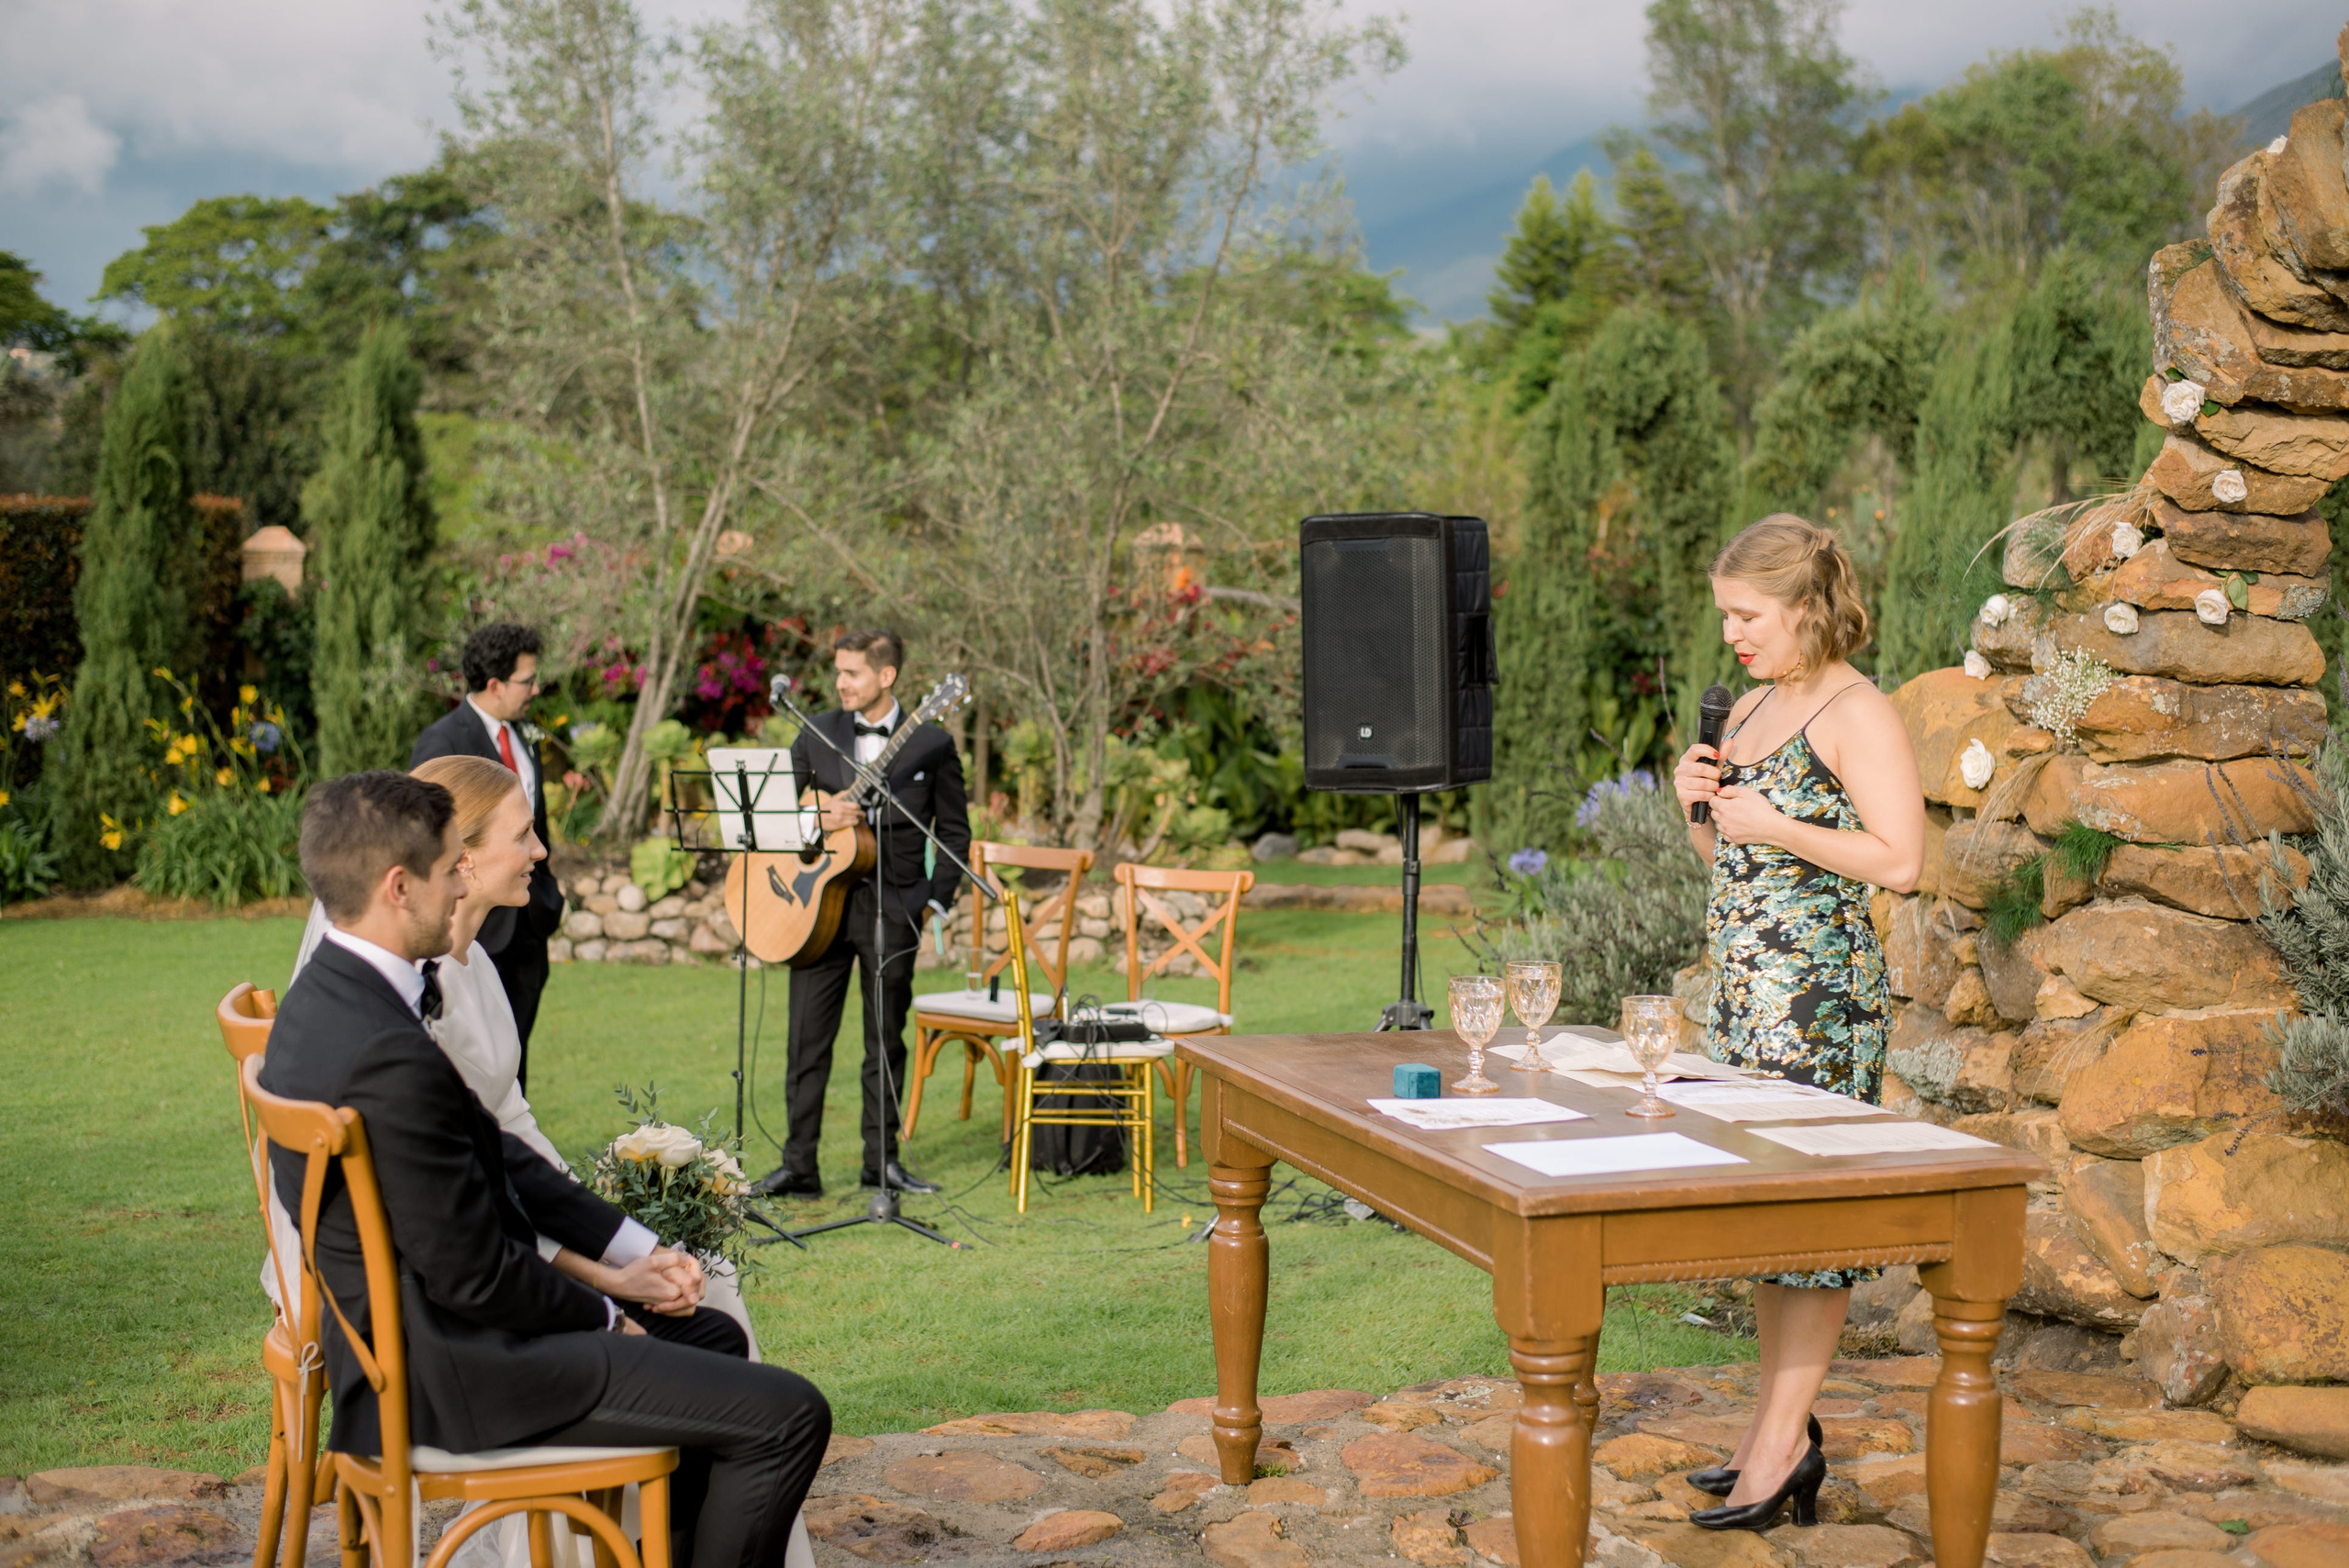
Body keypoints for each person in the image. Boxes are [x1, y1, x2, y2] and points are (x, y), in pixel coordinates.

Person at [262, 771, 829, 1568]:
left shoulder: (330, 998)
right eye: (447, 867)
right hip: (456, 1372)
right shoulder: (386, 1050)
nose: (459, 881)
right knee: (792, 1414)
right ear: (399, 888)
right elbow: (475, 1275)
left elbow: (501, 1157)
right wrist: (609, 1318)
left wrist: (633, 1247)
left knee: (711, 1336)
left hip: (430, 1342)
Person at [1671, 515, 1924, 1533]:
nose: (1731, 633)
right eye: (1725, 615)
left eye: (1746, 614)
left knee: (1812, 1234)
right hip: (1745, 1002)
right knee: (1774, 1228)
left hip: (1818, 1006)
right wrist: (1697, 807)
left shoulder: (1855, 709)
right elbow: (1734, 868)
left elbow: (1900, 858)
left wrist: (1772, 821)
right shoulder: (1757, 706)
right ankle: (1769, 1431)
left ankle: (1779, 1451)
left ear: (1804, 606)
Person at [751, 629, 969, 1199]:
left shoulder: (931, 742)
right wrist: (820, 821)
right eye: (839, 672)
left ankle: (882, 1162)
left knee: (885, 1040)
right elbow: (775, 820)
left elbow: (953, 835)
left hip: (893, 907)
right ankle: (799, 1166)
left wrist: (932, 902)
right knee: (806, 1040)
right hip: (815, 906)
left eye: (852, 673)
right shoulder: (816, 731)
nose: (841, 683)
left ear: (887, 676)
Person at [413, 623, 565, 1083]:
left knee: (513, 1059)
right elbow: (425, 837)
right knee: (467, 1062)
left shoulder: (525, 737)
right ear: (495, 684)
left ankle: (514, 1137)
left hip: (528, 918)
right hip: (471, 928)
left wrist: (548, 895)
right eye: (527, 680)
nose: (536, 689)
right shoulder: (442, 742)